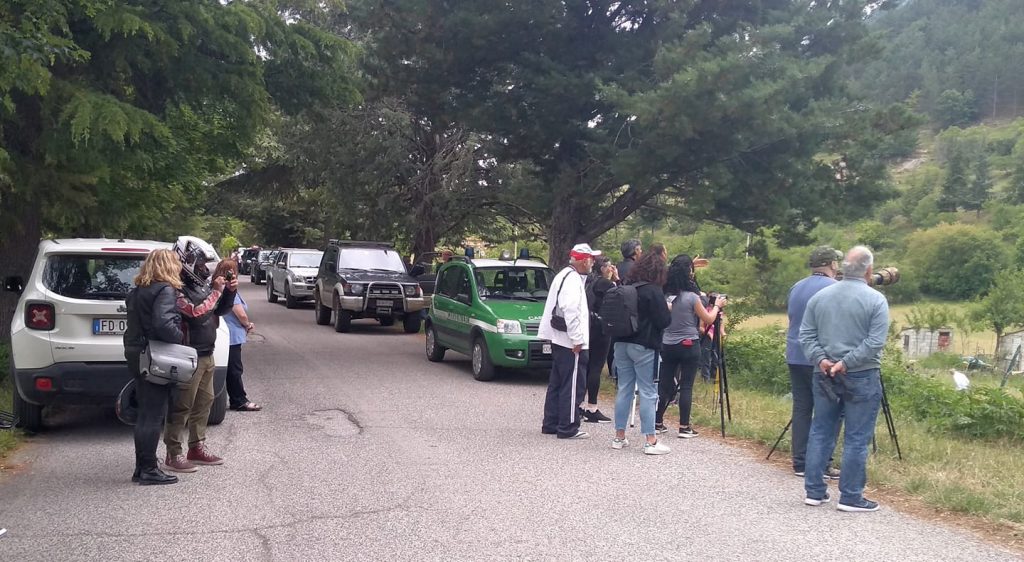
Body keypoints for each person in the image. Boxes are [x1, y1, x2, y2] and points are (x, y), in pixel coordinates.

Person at [800, 246, 890, 512]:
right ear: (869, 270)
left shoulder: (820, 297)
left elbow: (806, 335)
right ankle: (850, 496)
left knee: (821, 430)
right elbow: (875, 342)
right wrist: (846, 363)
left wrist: (824, 360)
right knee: (857, 436)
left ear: (842, 268)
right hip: (860, 374)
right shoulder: (875, 300)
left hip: (823, 373)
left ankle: (814, 491)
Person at [163, 243, 237, 473]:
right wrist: (216, 291)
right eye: (202, 264)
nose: (206, 269)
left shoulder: (201, 285)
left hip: (207, 352)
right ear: (190, 264)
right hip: (188, 354)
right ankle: (173, 453)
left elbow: (217, 310)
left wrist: (229, 292)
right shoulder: (177, 289)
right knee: (181, 405)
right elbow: (196, 314)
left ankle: (196, 447)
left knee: (205, 402)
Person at [123, 249, 187, 485]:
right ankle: (149, 469)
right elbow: (162, 323)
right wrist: (179, 337)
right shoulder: (165, 290)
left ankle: (142, 467)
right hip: (154, 354)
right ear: (169, 265)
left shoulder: (137, 291)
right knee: (153, 415)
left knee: (144, 414)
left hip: (135, 352)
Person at [655, 255, 726, 438]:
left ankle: (658, 422)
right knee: (686, 386)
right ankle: (684, 426)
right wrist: (717, 306)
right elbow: (708, 319)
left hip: (668, 344)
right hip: (688, 344)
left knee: (664, 385)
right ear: (689, 274)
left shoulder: (665, 296)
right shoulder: (692, 297)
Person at [786, 246, 843, 480]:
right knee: (828, 410)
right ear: (832, 264)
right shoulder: (835, 289)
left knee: (801, 408)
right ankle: (823, 462)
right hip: (821, 357)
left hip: (794, 353)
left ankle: (799, 462)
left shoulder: (797, 287)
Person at [611, 251, 672, 454]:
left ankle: (619, 437)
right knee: (648, 392)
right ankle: (650, 440)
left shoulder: (626, 287)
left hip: (621, 343)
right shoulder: (653, 291)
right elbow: (664, 321)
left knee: (624, 389)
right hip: (644, 345)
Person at [539, 243, 598, 440]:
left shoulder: (564, 274)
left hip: (559, 338)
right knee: (573, 384)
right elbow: (571, 311)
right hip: (570, 341)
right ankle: (568, 426)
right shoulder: (572, 280)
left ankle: (551, 423)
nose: (593, 263)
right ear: (583, 261)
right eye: (591, 259)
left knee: (557, 382)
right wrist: (578, 339)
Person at [216, 260, 261, 412]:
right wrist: (247, 324)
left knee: (229, 368)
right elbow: (240, 314)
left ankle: (236, 398)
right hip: (232, 335)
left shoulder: (216, 286)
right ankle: (239, 400)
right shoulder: (229, 291)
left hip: (224, 333)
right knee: (235, 369)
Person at [582, 255, 618, 423]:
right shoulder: (606, 284)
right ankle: (592, 406)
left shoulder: (587, 281)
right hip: (600, 328)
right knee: (596, 367)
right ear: (603, 268)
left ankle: (579, 404)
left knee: (585, 366)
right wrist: (616, 280)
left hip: (586, 326)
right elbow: (620, 297)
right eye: (610, 266)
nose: (611, 269)